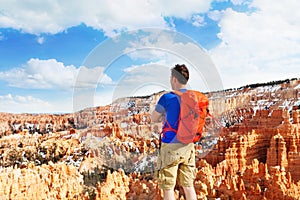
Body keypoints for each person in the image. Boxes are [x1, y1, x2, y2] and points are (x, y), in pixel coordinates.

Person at [151, 64, 197, 200]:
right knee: (189, 186)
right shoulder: (193, 97)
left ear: (175, 79)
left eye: (171, 78)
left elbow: (154, 118)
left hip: (171, 145)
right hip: (188, 145)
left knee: (168, 187)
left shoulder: (167, 98)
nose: (171, 81)